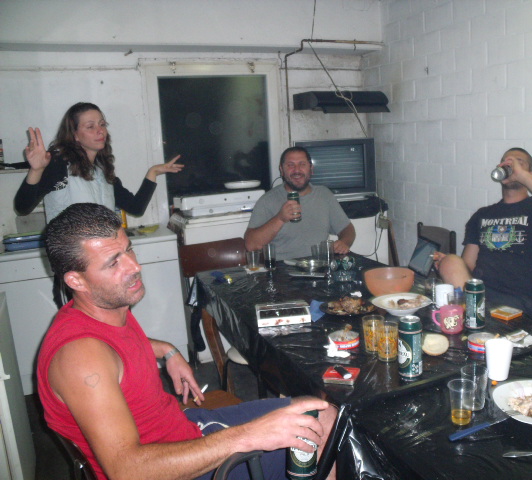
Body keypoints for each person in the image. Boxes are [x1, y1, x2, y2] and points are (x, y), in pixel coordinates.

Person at [37, 203, 337, 480]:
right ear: (76, 280)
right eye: (113, 263)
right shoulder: (81, 358)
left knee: (321, 412)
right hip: (171, 466)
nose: (134, 266)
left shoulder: (101, 314)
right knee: (323, 437)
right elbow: (127, 471)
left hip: (184, 428)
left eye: (129, 250)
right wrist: (249, 435)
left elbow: (118, 349)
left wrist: (167, 350)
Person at [435, 148, 532, 319]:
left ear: (530, 174)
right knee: (450, 261)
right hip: (479, 296)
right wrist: (449, 264)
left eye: (519, 162)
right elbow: (468, 266)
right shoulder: (483, 214)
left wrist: (523, 176)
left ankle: (475, 319)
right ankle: (474, 316)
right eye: (506, 161)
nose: (511, 164)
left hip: (521, 301)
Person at [14, 102, 184, 223]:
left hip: (102, 253)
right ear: (74, 134)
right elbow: (22, 208)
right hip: (72, 257)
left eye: (102, 124)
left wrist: (153, 172)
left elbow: (136, 208)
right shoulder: (59, 164)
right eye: (90, 126)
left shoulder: (102, 170)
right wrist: (36, 170)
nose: (100, 130)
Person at [244, 146, 356, 260]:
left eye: (302, 164)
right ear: (281, 170)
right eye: (290, 165)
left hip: (320, 265)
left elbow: (347, 229)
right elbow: (251, 245)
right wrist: (280, 218)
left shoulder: (324, 194)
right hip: (284, 268)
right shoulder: (267, 200)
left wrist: (344, 242)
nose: (297, 170)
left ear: (311, 169)